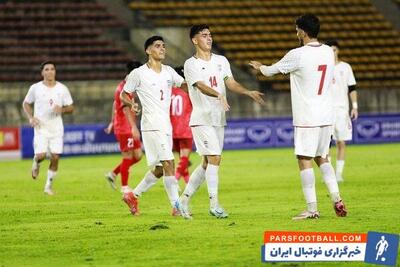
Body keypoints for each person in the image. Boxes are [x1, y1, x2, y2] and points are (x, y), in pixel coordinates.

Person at [249, 14, 347, 220]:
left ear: (302, 31)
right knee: (323, 158)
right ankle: (337, 199)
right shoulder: (329, 52)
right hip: (325, 115)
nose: (296, 33)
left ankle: (312, 209)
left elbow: (270, 72)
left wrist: (260, 67)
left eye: (296, 29)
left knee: (304, 160)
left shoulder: (298, 54)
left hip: (307, 117)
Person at [179, 24, 265, 220]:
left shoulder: (221, 60)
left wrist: (247, 91)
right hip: (201, 119)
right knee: (215, 158)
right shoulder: (190, 64)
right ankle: (214, 204)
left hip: (218, 119)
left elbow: (231, 82)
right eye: (204, 35)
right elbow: (200, 86)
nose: (209, 38)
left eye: (210, 35)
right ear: (194, 40)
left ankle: (183, 200)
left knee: (206, 163)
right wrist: (218, 94)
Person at [120, 36, 187, 216]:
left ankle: (133, 195)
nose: (162, 49)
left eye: (164, 46)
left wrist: (200, 89)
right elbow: (124, 95)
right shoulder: (139, 73)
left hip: (165, 125)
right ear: (148, 50)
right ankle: (177, 206)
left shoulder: (169, 72)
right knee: (169, 162)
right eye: (158, 46)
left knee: (160, 169)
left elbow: (185, 85)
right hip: (151, 124)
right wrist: (132, 103)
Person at [22, 61, 74, 195]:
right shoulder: (35, 88)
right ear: (42, 72)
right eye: (47, 69)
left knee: (55, 157)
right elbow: (26, 103)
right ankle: (36, 162)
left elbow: (71, 107)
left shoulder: (62, 88)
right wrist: (30, 118)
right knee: (41, 155)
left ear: (55, 71)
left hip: (56, 128)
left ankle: (48, 187)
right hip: (41, 127)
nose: (50, 71)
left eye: (52, 69)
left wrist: (61, 109)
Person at [104, 61, 143, 214]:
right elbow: (125, 108)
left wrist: (111, 122)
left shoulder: (127, 85)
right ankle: (125, 187)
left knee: (138, 156)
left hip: (125, 125)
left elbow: (115, 103)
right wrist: (133, 127)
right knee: (127, 156)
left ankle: (113, 174)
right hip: (126, 128)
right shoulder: (124, 88)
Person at [325, 40, 358, 182]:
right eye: (330, 50)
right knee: (326, 144)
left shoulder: (346, 67)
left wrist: (355, 106)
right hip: (326, 110)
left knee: (341, 142)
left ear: (338, 51)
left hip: (342, 110)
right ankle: (329, 174)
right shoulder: (323, 69)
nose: (332, 52)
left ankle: (339, 173)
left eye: (334, 50)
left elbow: (352, 88)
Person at [170, 66, 193, 184]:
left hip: (173, 129)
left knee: (182, 158)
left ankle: (187, 181)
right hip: (185, 128)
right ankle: (175, 179)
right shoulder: (188, 90)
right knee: (185, 158)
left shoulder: (171, 91)